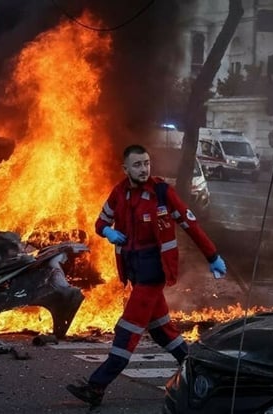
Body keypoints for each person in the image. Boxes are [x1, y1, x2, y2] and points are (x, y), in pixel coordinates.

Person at [66, 144, 227, 407]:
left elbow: (190, 223)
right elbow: (100, 223)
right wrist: (108, 233)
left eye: (146, 163)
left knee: (127, 329)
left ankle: (96, 386)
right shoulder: (119, 193)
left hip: (154, 272)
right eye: (138, 165)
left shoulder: (162, 192)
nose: (144, 169)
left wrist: (212, 256)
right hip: (135, 272)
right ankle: (200, 371)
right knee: (162, 330)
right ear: (126, 168)